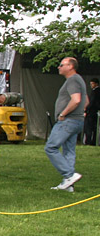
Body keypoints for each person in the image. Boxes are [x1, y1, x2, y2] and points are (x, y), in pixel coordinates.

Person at [44, 57, 88, 191]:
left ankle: (69, 175)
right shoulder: (79, 80)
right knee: (69, 151)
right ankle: (68, 184)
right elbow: (85, 101)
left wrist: (63, 114)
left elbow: (76, 100)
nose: (58, 67)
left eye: (61, 65)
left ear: (70, 66)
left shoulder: (73, 80)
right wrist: (82, 112)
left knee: (51, 147)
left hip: (68, 120)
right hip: (77, 120)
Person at [85, 77, 100, 146]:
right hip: (96, 112)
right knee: (95, 128)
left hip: (91, 112)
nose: (91, 85)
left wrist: (86, 109)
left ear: (96, 84)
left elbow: (92, 102)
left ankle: (88, 141)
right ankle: (94, 141)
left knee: (89, 128)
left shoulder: (94, 92)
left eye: (92, 84)